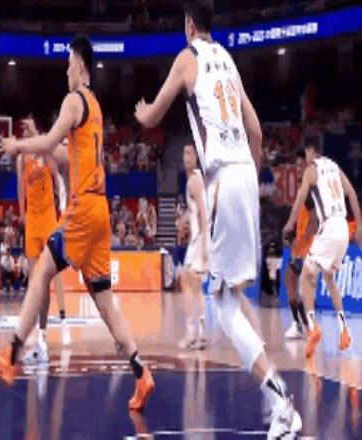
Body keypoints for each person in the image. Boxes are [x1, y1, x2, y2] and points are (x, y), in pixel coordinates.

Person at [134, 1, 301, 436]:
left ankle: (279, 399)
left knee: (223, 306)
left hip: (224, 178)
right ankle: (274, 387)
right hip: (245, 173)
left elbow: (154, 115)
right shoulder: (228, 59)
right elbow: (256, 131)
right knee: (231, 296)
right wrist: (250, 175)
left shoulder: (187, 58)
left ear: (189, 24)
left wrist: (140, 110)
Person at [0, 35, 154, 412]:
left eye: (68, 64)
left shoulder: (73, 99)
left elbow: (50, 143)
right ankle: (142, 374)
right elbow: (63, 153)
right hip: (101, 211)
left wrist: (19, 146)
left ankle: (11, 355)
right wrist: (39, 140)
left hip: (82, 210)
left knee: (41, 271)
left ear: (80, 64)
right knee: (106, 302)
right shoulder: (94, 107)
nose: (66, 72)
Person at [283, 135, 362, 358]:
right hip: (343, 228)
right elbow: (352, 194)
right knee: (329, 278)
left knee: (305, 277)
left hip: (328, 227)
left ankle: (312, 326)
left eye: (306, 153)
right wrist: (360, 224)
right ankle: (344, 330)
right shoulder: (335, 167)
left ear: (310, 151)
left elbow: (300, 200)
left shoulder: (311, 170)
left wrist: (289, 223)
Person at [16, 115, 70, 362]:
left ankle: (48, 332)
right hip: (32, 222)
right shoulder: (21, 159)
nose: (26, 136)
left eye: (29, 132)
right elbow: (21, 188)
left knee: (49, 277)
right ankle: (34, 337)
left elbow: (57, 175)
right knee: (34, 281)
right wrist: (21, 213)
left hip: (49, 219)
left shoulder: (46, 154)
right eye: (25, 133)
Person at [177, 144, 209, 350]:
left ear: (197, 157)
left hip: (200, 239)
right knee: (192, 285)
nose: (186, 156)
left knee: (189, 283)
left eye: (190, 153)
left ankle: (193, 333)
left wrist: (205, 247)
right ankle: (199, 333)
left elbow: (204, 213)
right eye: (184, 152)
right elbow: (195, 210)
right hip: (198, 238)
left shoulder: (194, 181)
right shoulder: (194, 179)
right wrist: (184, 219)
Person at [283, 150, 317, 339]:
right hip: (300, 247)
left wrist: (303, 240)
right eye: (295, 166)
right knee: (291, 280)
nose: (297, 169)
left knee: (294, 281)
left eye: (300, 166)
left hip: (308, 248)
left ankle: (302, 325)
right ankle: (302, 324)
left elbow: (314, 220)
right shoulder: (302, 189)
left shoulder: (309, 192)